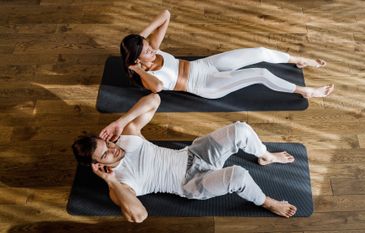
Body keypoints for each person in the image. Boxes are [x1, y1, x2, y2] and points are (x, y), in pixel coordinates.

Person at [72, 93, 297, 223]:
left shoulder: (127, 138)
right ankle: (268, 203)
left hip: (195, 153)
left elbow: (154, 99)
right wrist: (110, 181)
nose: (114, 148)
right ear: (98, 165)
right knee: (239, 176)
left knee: (241, 130)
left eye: (109, 143)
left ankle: (265, 156)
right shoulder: (118, 185)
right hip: (191, 183)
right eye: (106, 153)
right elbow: (139, 216)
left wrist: (120, 122)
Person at [120, 10, 334, 99]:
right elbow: (157, 89)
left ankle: (299, 60)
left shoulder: (151, 49)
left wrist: (140, 39)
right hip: (207, 84)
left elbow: (166, 14)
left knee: (259, 52)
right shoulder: (146, 76)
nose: (151, 49)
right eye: (146, 51)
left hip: (204, 65)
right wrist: (136, 67)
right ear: (138, 61)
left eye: (149, 45)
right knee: (260, 73)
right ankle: (306, 92)